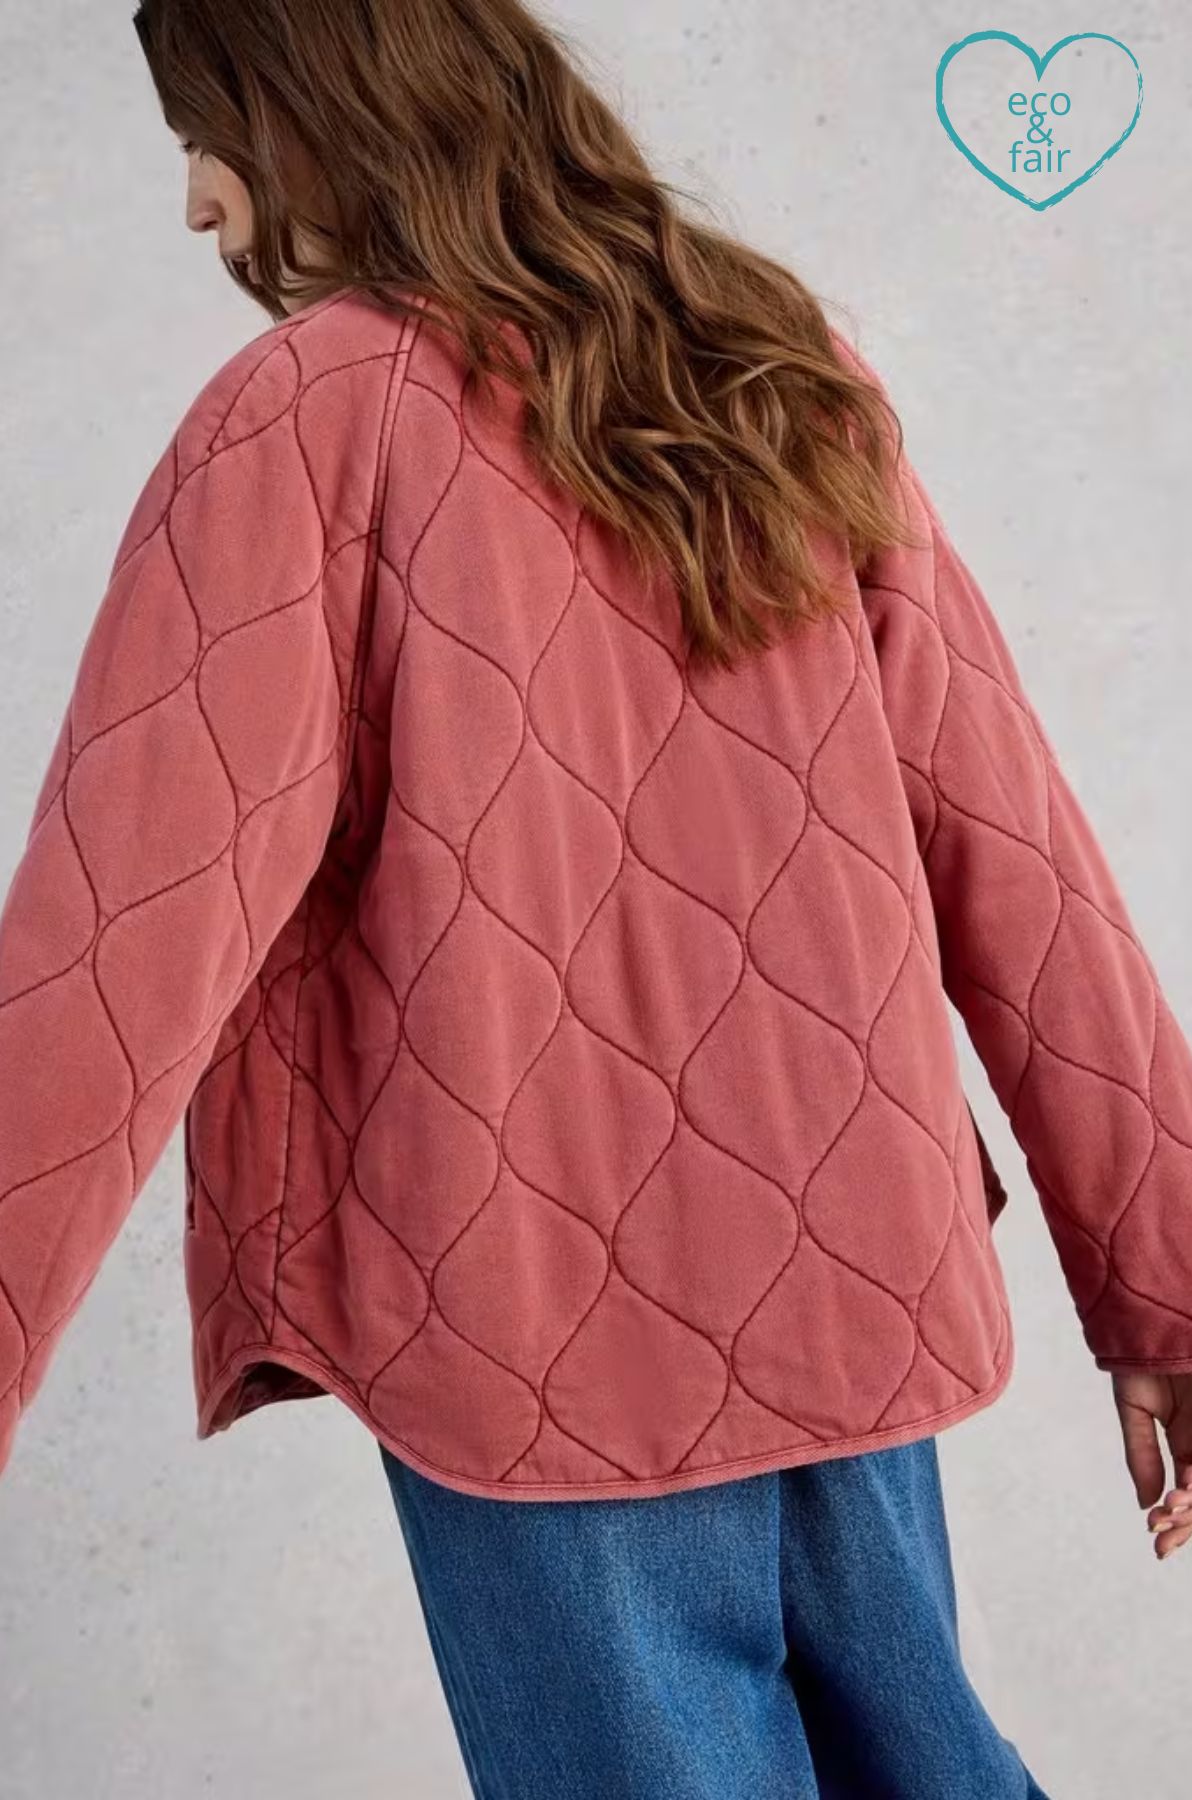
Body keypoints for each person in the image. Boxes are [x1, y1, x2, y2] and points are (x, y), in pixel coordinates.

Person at [2, 1, 1189, 1793]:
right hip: (855, 1280)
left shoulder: (302, 420)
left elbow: (104, 958)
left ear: (316, 106)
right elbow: (1013, 847)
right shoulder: (772, 365)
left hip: (538, 1319)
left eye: (204, 132)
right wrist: (1164, 1275)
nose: (198, 202)